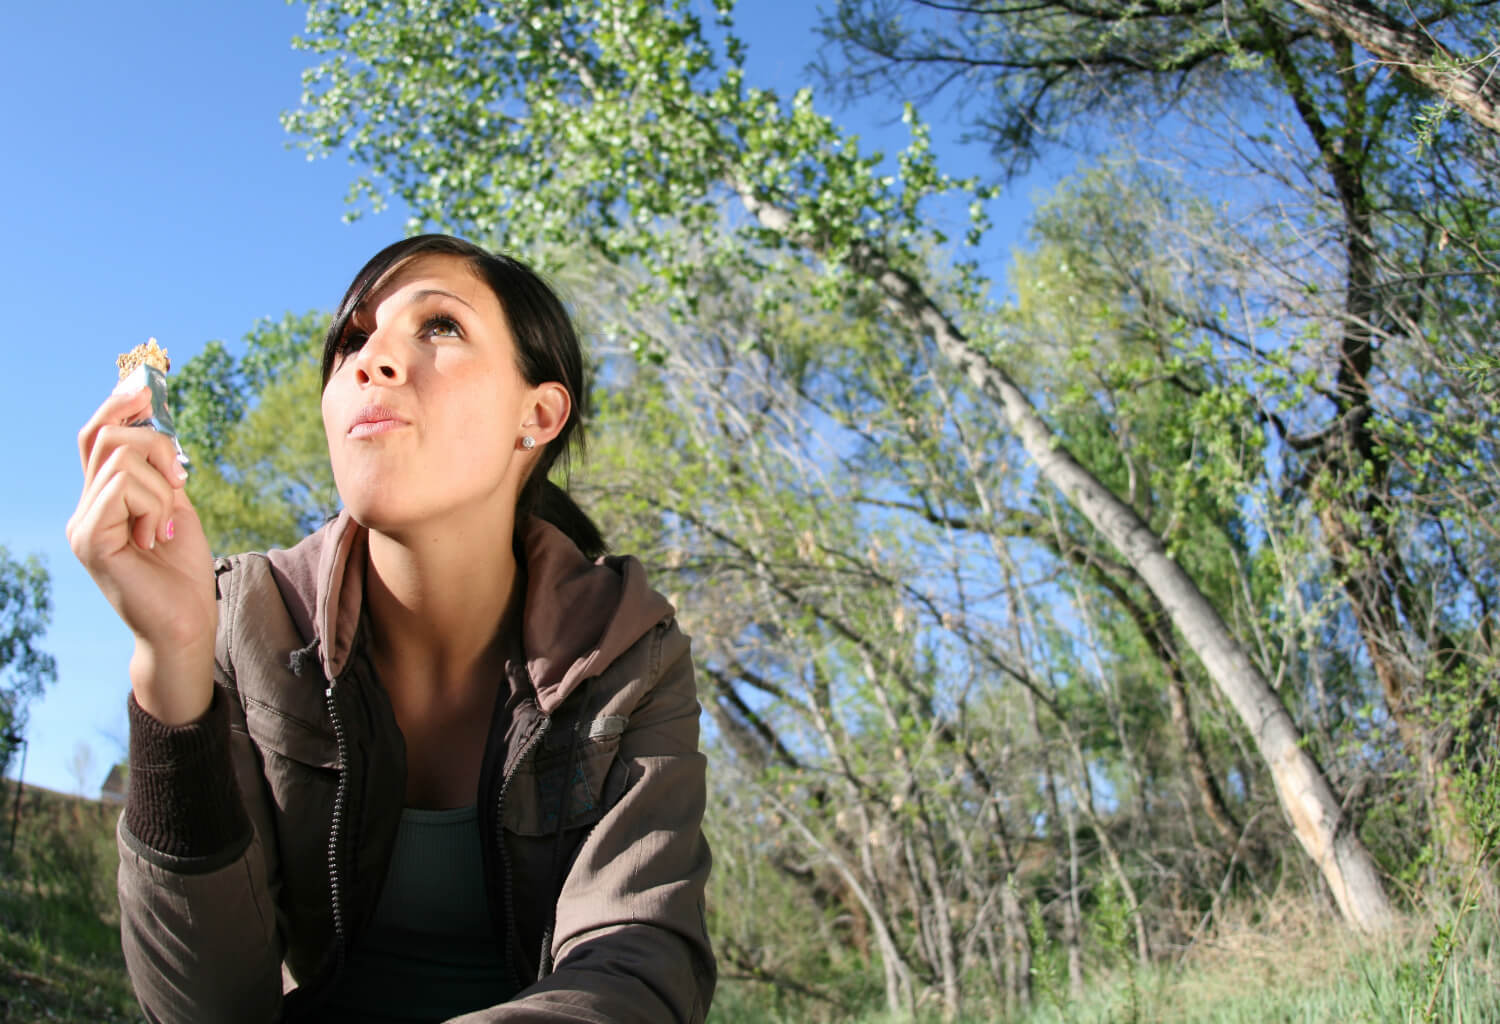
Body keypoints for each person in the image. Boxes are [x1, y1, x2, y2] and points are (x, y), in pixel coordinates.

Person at [67, 235, 716, 1023]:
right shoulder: (248, 622)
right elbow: (207, 1007)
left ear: (537, 415)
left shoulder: (627, 652)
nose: (371, 358)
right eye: (352, 340)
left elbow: (637, 972)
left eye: (439, 326)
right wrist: (170, 662)